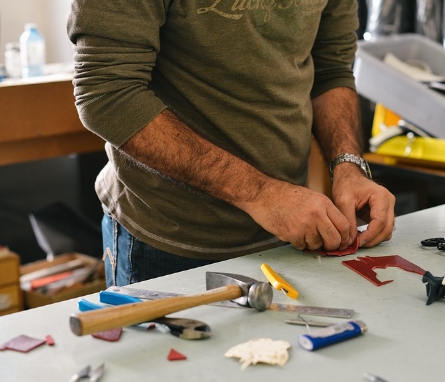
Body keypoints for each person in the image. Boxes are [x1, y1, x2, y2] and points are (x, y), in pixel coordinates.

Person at [67, 0, 396, 287]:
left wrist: (349, 167)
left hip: (287, 234)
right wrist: (260, 193)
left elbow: (331, 70)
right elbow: (107, 94)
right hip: (169, 242)